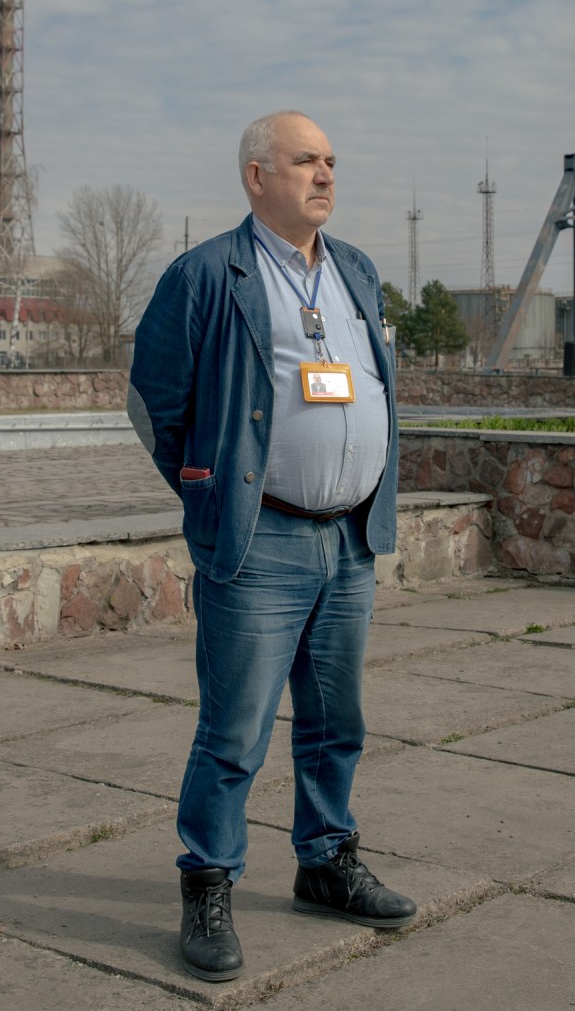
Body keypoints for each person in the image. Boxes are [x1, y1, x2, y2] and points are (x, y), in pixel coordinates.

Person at [127, 110, 416, 983]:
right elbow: (155, 398)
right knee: (234, 732)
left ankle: (325, 860)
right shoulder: (210, 272)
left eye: (330, 161)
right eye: (305, 161)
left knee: (337, 724)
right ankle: (207, 880)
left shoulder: (357, 269)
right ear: (258, 176)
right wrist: (212, 488)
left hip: (349, 542)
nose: (325, 175)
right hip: (262, 543)